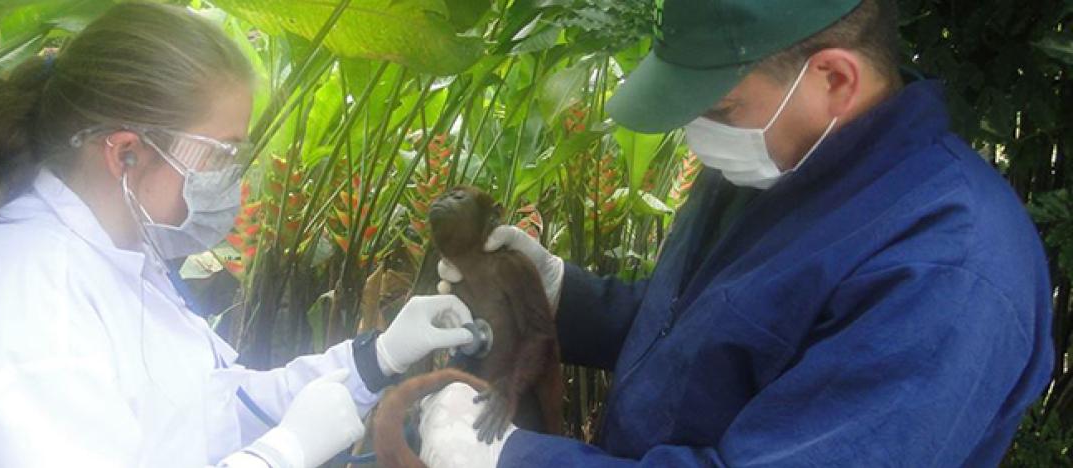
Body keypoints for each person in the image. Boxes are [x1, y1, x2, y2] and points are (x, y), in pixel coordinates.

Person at [421, 0, 1054, 466]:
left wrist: (515, 460)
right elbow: (695, 331)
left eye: (720, 110)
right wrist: (559, 294)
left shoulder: (946, 268)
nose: (699, 133)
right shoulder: (771, 161)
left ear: (835, 79)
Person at [0, 3, 475, 467]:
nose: (231, 176)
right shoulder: (38, 316)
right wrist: (286, 452)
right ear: (127, 152)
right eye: (220, 153)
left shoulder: (121, 249)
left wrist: (378, 357)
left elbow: (219, 406)